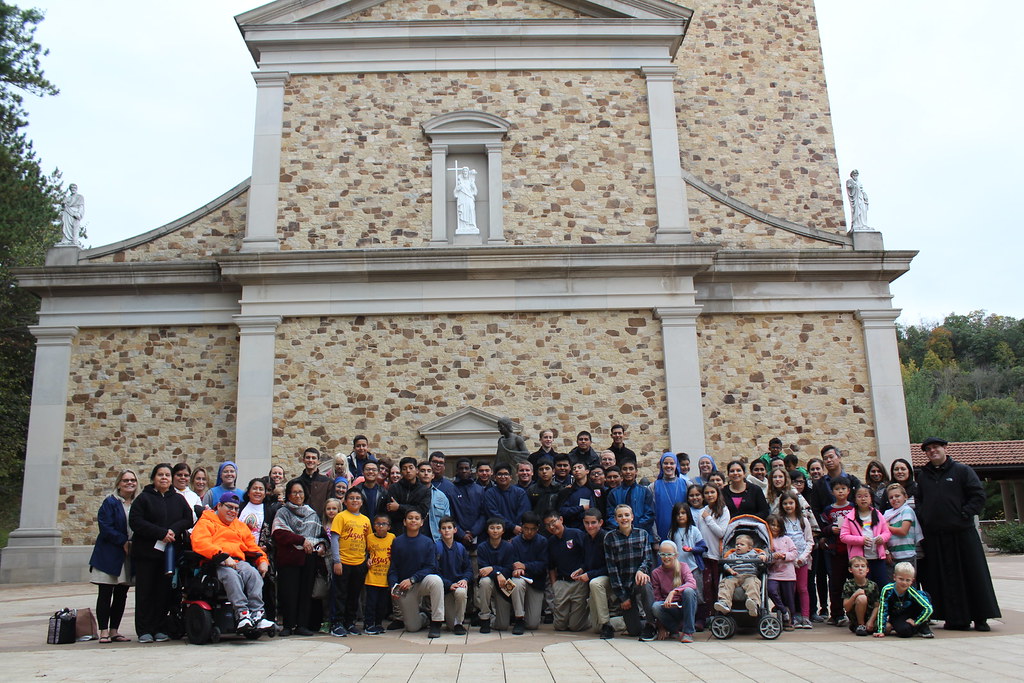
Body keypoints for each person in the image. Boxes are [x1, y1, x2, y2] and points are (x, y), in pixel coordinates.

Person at [916, 436, 1000, 631]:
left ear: (945, 448)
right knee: (945, 579)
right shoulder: (923, 476)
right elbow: (919, 500)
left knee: (973, 575)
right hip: (937, 535)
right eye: (928, 449)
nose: (932, 451)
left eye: (936, 447)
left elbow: (978, 495)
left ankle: (980, 617)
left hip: (962, 533)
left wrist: (964, 514)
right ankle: (954, 618)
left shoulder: (962, 470)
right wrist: (924, 516)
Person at [190, 492, 275, 632]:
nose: (233, 511)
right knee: (231, 576)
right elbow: (200, 543)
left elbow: (252, 547)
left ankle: (257, 614)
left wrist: (262, 560)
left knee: (253, 574)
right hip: (215, 563)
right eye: (229, 507)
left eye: (236, 508)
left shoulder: (240, 526)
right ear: (219, 506)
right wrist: (222, 556)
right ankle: (242, 614)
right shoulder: (206, 522)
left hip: (238, 561)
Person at [128, 463, 193, 643]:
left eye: (167, 475)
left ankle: (159, 628)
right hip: (147, 554)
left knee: (163, 592)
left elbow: (187, 519)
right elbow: (136, 521)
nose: (164, 478)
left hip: (168, 555)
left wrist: (173, 530)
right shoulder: (143, 499)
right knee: (145, 592)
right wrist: (160, 533)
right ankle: (144, 630)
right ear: (153, 478)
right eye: (160, 475)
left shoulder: (178, 499)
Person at [89, 470, 137, 643]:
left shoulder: (137, 503)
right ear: (118, 483)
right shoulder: (110, 502)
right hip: (109, 554)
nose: (129, 483)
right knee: (105, 592)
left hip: (128, 555)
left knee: (121, 594)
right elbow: (105, 526)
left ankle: (114, 630)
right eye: (125, 480)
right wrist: (122, 541)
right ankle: (103, 630)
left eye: (132, 480)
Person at [272, 479, 324, 636]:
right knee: (289, 593)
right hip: (289, 558)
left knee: (305, 592)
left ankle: (302, 625)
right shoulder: (282, 512)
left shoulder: (312, 513)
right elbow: (279, 533)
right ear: (288, 495)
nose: (298, 495)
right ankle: (288, 625)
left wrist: (321, 545)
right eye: (294, 492)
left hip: (308, 558)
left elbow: (320, 535)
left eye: (300, 492)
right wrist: (301, 540)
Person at [604, 504, 657, 641]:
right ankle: (644, 624)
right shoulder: (610, 538)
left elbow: (647, 559)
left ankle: (651, 624)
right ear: (615, 519)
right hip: (624, 586)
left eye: (627, 515)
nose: (624, 518)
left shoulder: (642, 534)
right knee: (634, 631)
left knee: (645, 583)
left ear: (632, 517)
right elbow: (612, 569)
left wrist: (641, 570)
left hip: (638, 581)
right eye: (620, 516)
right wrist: (623, 597)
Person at [389, 509, 445, 637]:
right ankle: (424, 616)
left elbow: (431, 567)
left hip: (421, 582)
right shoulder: (397, 542)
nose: (413, 520)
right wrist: (393, 585)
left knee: (436, 581)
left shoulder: (428, 542)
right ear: (404, 522)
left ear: (421, 522)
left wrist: (413, 579)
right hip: (405, 586)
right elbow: (393, 568)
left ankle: (436, 622)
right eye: (410, 518)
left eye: (416, 518)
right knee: (412, 627)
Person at [329, 489, 371, 637]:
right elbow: (335, 539)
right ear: (345, 502)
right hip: (343, 562)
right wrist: (337, 561)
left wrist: (368, 558)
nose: (355, 500)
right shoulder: (341, 517)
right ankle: (336, 623)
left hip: (359, 562)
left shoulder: (366, 520)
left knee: (354, 594)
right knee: (340, 594)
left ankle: (350, 622)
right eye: (351, 498)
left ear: (362, 502)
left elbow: (368, 541)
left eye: (358, 498)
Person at [544, 511, 590, 632]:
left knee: (575, 627)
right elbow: (551, 566)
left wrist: (583, 571)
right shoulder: (551, 542)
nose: (551, 527)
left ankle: (589, 618)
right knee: (559, 626)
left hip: (579, 582)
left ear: (561, 519)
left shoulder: (576, 534)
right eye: (548, 525)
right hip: (562, 583)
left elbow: (588, 556)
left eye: (553, 522)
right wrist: (554, 585)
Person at [840, 486, 891, 589]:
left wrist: (882, 538)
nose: (863, 499)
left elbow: (887, 532)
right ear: (855, 499)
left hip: (877, 558)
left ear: (871, 498)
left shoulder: (878, 514)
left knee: (882, 585)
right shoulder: (850, 517)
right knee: (863, 587)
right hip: (860, 561)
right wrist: (861, 540)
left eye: (866, 496)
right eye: (859, 496)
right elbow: (843, 536)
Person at [820, 476, 854, 626]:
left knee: (854, 583)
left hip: (852, 552)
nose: (840, 492)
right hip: (835, 552)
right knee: (836, 584)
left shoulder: (853, 508)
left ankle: (854, 613)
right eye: (837, 489)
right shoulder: (829, 510)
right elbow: (822, 527)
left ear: (848, 491)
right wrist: (830, 529)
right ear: (832, 491)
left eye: (843, 489)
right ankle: (837, 614)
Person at [651, 540, 698, 643]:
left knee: (689, 591)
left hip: (685, 606)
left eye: (669, 554)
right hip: (670, 609)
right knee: (656, 606)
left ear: (676, 555)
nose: (666, 557)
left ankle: (688, 632)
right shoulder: (656, 573)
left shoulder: (683, 566)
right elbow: (657, 598)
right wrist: (661, 627)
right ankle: (674, 629)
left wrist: (674, 592)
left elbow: (692, 583)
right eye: (663, 554)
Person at [509, 512, 548, 633]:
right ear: (521, 527)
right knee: (517, 582)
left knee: (532, 624)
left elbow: (543, 565)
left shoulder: (542, 541)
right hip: (519, 580)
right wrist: (516, 568)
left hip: (536, 583)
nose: (529, 532)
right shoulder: (515, 542)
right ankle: (519, 618)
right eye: (526, 528)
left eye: (533, 529)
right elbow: (511, 562)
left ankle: (523, 614)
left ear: (538, 528)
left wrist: (525, 566)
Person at [778, 493, 813, 628]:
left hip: (802, 561)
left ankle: (805, 616)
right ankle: (792, 616)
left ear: (796, 504)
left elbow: (809, 541)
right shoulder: (781, 521)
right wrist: (788, 557)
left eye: (791, 503)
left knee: (802, 588)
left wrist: (803, 557)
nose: (788, 506)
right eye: (785, 503)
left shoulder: (803, 521)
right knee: (789, 590)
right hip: (787, 562)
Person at [714, 533, 768, 617]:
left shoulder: (753, 554)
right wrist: (730, 570)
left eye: (742, 544)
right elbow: (725, 563)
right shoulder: (732, 555)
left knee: (753, 583)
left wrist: (762, 556)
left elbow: (762, 559)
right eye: (737, 544)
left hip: (749, 575)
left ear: (749, 548)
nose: (738, 546)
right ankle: (724, 603)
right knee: (726, 583)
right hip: (735, 576)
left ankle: (753, 603)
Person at [874, 562, 934, 638]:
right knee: (904, 631)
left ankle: (923, 625)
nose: (904, 583)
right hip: (896, 615)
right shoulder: (887, 590)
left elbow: (928, 608)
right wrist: (880, 631)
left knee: (925, 596)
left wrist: (917, 621)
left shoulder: (912, 591)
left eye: (907, 580)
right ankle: (913, 628)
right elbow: (882, 610)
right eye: (901, 579)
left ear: (912, 581)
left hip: (910, 613)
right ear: (894, 577)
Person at [476, 518, 514, 633]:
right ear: (487, 530)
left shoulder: (509, 547)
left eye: (498, 528)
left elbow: (509, 569)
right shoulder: (482, 547)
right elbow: (483, 570)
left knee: (503, 625)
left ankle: (495, 617)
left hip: (503, 585)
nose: (495, 531)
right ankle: (484, 618)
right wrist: (498, 573)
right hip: (489, 583)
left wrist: (493, 569)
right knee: (485, 581)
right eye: (492, 528)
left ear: (503, 531)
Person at [435, 516, 471, 634]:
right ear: (439, 531)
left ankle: (459, 623)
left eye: (449, 528)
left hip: (458, 586)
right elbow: (434, 570)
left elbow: (468, 569)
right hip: (444, 588)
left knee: (461, 592)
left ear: (455, 530)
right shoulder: (436, 548)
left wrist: (465, 579)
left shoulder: (460, 548)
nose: (446, 530)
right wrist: (448, 584)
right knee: (450, 626)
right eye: (443, 528)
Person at [363, 513, 395, 634]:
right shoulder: (369, 538)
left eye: (384, 524)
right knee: (371, 603)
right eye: (378, 524)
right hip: (372, 577)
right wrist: (367, 559)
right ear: (374, 525)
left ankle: (378, 623)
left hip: (385, 577)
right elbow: (365, 552)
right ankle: (369, 624)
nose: (381, 526)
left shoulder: (392, 537)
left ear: (389, 526)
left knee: (382, 604)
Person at [606, 461, 655, 540]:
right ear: (621, 472)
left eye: (631, 469)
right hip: (619, 536)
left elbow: (649, 514)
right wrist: (623, 529)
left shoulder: (645, 492)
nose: (628, 472)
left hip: (641, 535)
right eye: (625, 469)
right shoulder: (614, 493)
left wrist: (634, 530)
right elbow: (611, 516)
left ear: (636, 471)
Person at [766, 514, 798, 630]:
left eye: (778, 526)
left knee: (789, 598)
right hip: (773, 573)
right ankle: (783, 610)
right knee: (771, 590)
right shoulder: (766, 541)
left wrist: (784, 556)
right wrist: (773, 557)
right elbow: (764, 557)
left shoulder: (786, 539)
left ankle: (790, 620)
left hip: (788, 574)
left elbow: (794, 553)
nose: (775, 528)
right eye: (772, 525)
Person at [883, 483, 922, 578]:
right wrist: (886, 551)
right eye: (891, 497)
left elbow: (903, 531)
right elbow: (883, 535)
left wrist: (887, 527)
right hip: (892, 556)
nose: (894, 499)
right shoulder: (887, 514)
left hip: (907, 555)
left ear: (905, 497)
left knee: (907, 582)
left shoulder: (907, 511)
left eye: (897, 496)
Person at [483, 463, 530, 538]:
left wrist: (516, 529)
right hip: (497, 534)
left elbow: (524, 513)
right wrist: (512, 527)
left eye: (506, 474)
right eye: (499, 474)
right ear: (495, 477)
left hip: (518, 533)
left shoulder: (520, 493)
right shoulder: (489, 493)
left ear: (511, 477)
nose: (503, 477)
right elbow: (493, 513)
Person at [651, 452, 688, 543]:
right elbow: (651, 514)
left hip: (684, 532)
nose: (668, 466)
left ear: (676, 465)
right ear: (661, 465)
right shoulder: (653, 487)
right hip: (661, 531)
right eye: (665, 463)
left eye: (672, 463)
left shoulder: (686, 484)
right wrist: (655, 538)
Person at [386, 456, 430, 531]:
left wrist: (399, 507)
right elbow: (391, 511)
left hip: (418, 530)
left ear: (416, 470)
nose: (408, 471)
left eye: (411, 468)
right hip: (397, 529)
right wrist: (413, 509)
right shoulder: (394, 488)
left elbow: (422, 511)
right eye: (404, 469)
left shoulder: (424, 490)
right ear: (401, 471)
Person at [450, 458, 485, 547]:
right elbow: (450, 516)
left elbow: (483, 514)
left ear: (470, 471)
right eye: (461, 468)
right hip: (457, 539)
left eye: (466, 468)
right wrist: (462, 534)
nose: (464, 471)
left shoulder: (479, 490)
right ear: (457, 471)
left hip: (478, 538)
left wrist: (473, 532)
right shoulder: (451, 491)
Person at [842, 555, 880, 636]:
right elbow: (846, 607)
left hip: (871, 617)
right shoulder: (848, 585)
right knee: (861, 598)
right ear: (850, 569)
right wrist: (855, 595)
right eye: (856, 566)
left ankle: (869, 625)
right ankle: (861, 625)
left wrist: (871, 621)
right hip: (855, 617)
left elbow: (877, 606)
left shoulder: (873, 585)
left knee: (887, 628)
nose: (860, 569)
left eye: (863, 566)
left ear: (867, 570)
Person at [419, 460, 452, 541]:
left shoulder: (441, 496)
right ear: (417, 474)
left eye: (429, 471)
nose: (426, 473)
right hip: (417, 539)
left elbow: (447, 520)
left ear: (433, 475)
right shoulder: (412, 494)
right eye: (422, 471)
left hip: (437, 539)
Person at [297, 447, 332, 517]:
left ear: (318, 461)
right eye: (308, 457)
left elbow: (331, 505)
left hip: (321, 521)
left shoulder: (328, 483)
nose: (310, 460)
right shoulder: (296, 483)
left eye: (313, 458)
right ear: (303, 460)